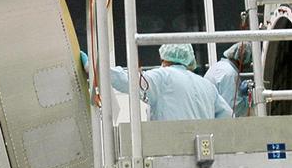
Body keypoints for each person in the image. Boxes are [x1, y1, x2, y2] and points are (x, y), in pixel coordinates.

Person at [84, 43, 232, 121]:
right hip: (206, 157)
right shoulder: (207, 86)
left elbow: (126, 81)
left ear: (164, 58)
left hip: (170, 153)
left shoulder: (163, 77)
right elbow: (227, 115)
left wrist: (91, 67)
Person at [205, 42, 253, 117]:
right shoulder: (230, 74)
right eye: (249, 60)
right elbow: (234, 109)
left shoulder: (220, 66)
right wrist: (249, 100)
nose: (249, 65)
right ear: (242, 59)